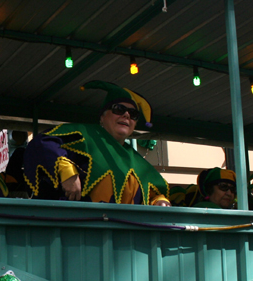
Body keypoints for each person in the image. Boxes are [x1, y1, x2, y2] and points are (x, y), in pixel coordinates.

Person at [23, 80, 169, 206]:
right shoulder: (83, 135)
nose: (126, 115)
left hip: (125, 232)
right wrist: (65, 170)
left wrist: (159, 200)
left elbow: (156, 192)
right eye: (119, 109)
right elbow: (42, 143)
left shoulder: (138, 162)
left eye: (133, 114)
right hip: (80, 231)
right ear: (102, 116)